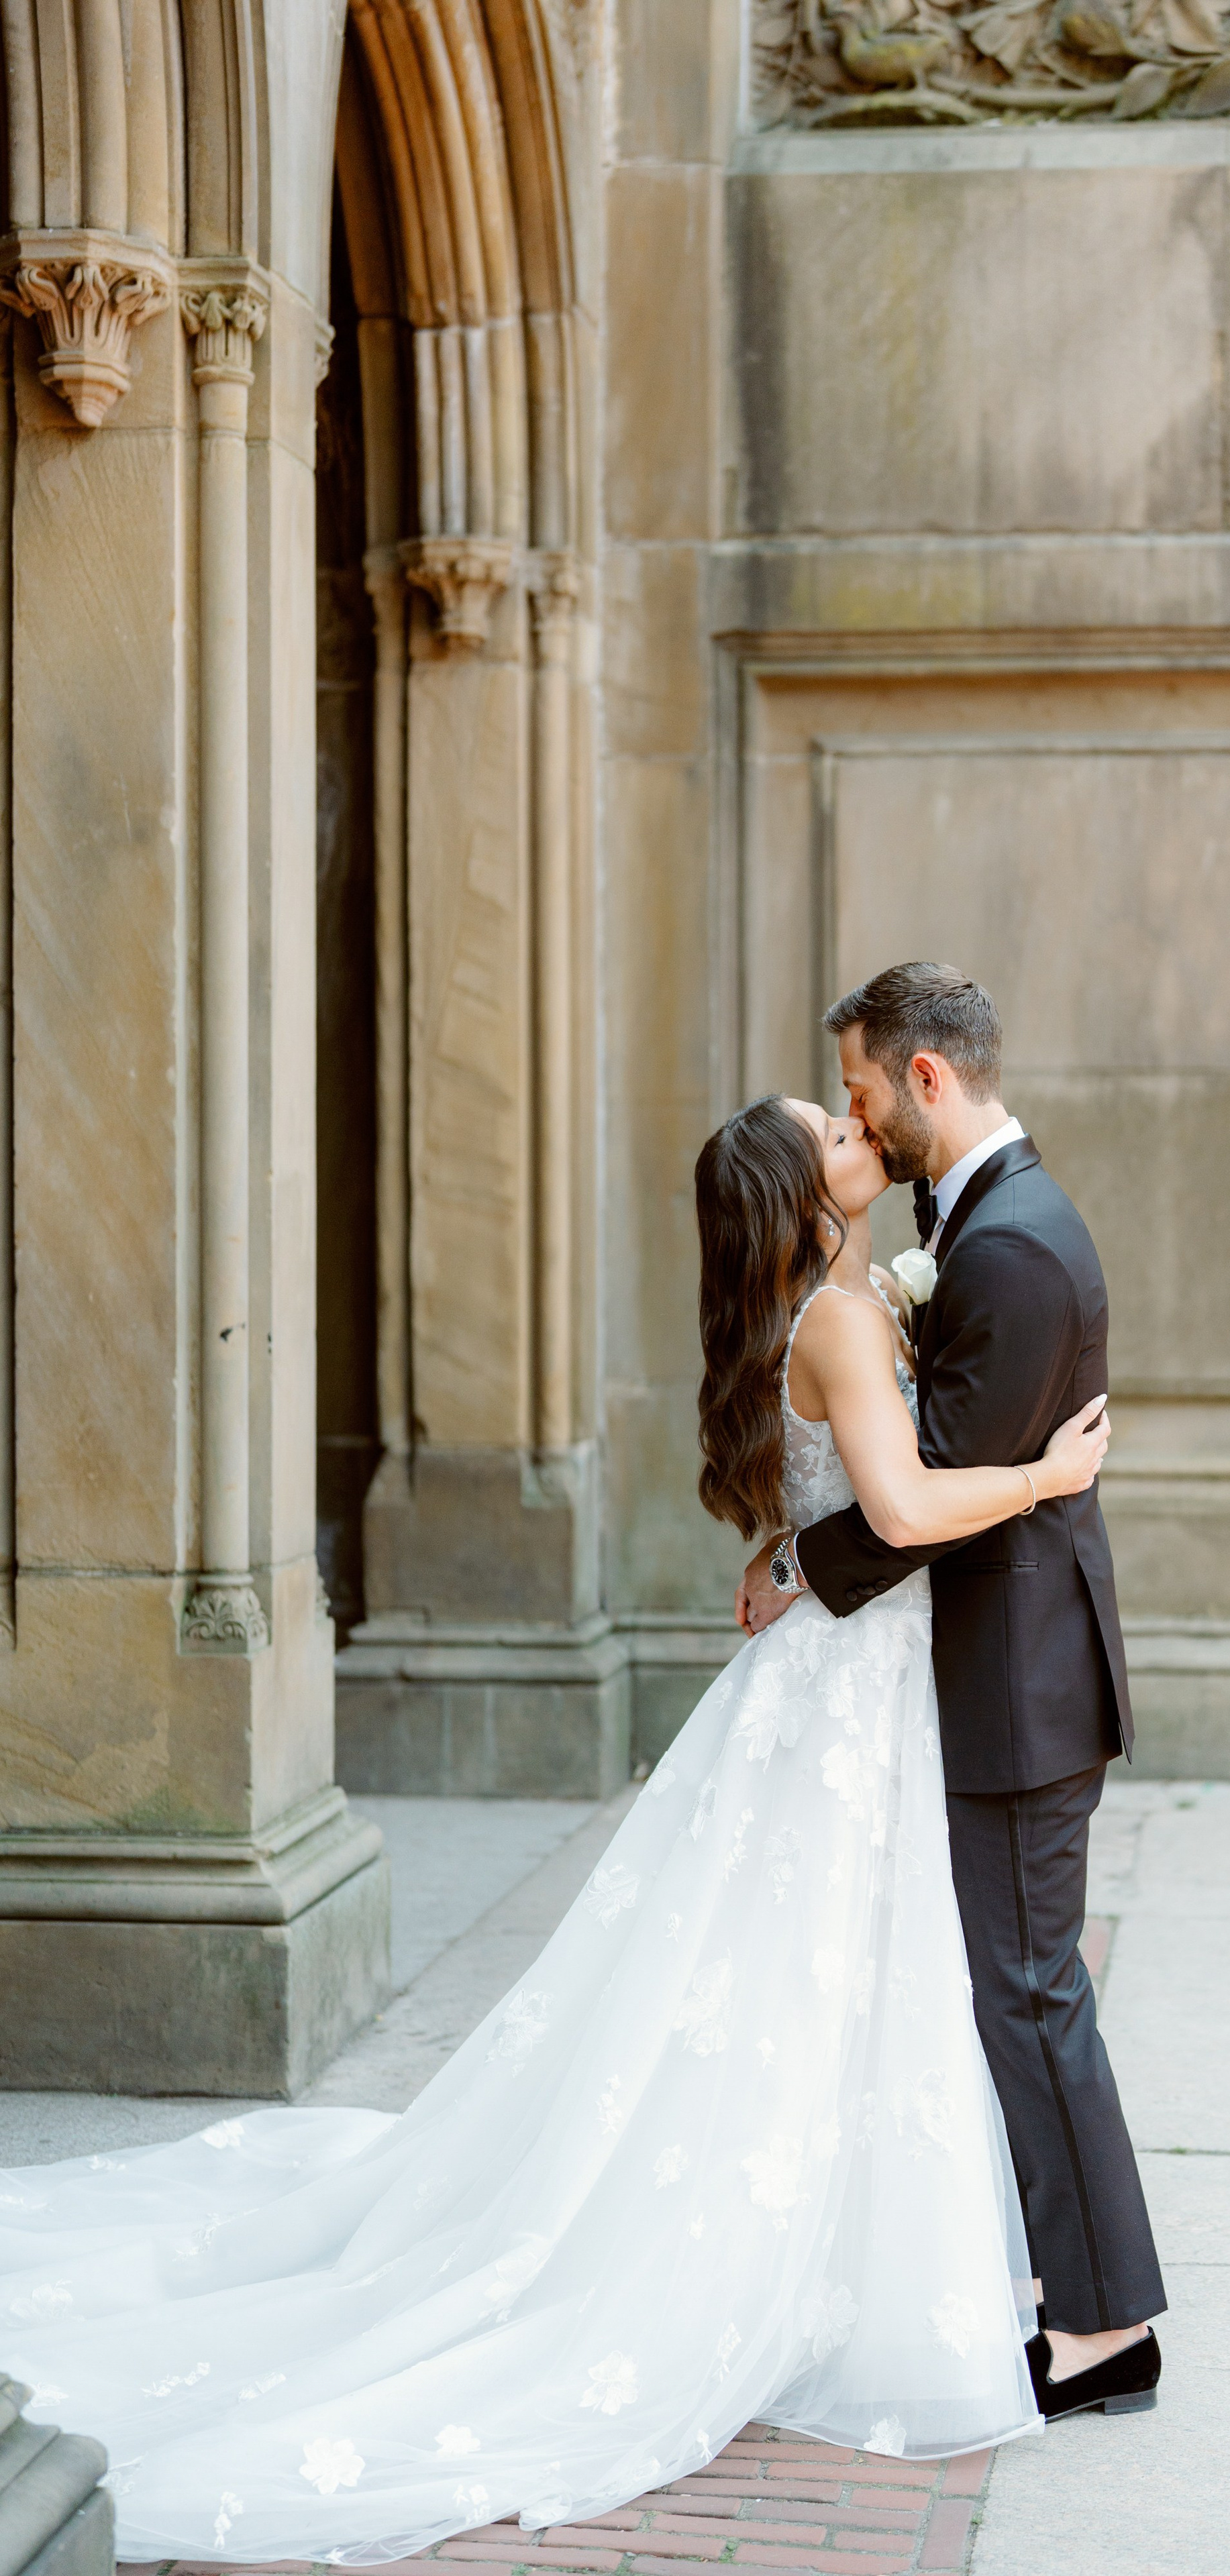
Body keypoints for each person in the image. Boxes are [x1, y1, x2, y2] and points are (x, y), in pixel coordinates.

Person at [0, 1092, 1112, 2567]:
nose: (856, 1133)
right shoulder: (840, 1320)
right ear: (805, 1195)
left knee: (805, 1991)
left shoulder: (826, 1310)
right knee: (819, 1984)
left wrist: (792, 1546)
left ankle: (829, 2266)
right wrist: (1045, 1478)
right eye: (829, 1132)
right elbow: (901, 1510)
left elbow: (832, 1503)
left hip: (845, 1686)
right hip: (853, 1697)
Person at [740, 963, 1166, 2421]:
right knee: (1017, 1994)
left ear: (925, 1082)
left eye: (861, 1089)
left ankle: (1107, 2334)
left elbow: (926, 1500)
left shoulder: (1008, 1251)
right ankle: (1075, 2294)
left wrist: (801, 1565)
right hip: (994, 1675)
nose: (854, 1112)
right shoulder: (975, 1227)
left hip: (1016, 1687)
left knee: (1032, 1997)